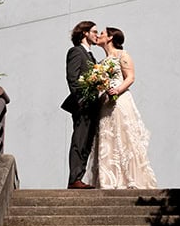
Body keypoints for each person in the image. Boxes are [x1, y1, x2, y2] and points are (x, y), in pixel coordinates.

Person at [84, 27, 157, 189]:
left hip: (120, 100)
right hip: (105, 103)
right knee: (106, 137)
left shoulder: (122, 55)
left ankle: (129, 178)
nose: (99, 36)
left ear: (110, 38)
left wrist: (117, 90)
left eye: (102, 33)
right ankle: (108, 180)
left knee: (123, 136)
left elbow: (130, 77)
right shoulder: (101, 62)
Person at [61, 20, 99, 189]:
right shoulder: (76, 52)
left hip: (93, 105)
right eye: (94, 32)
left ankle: (79, 177)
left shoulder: (91, 55)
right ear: (85, 33)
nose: (97, 35)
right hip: (82, 105)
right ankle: (74, 179)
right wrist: (81, 100)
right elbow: (72, 78)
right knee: (79, 140)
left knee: (87, 142)